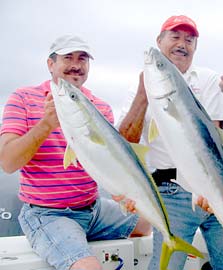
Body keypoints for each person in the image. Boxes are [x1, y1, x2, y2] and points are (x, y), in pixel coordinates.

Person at [0, 34, 151, 270]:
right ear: (51, 64)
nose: (76, 65)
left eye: (82, 59)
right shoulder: (22, 99)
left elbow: (107, 163)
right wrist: (46, 125)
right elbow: (7, 163)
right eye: (67, 57)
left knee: (148, 223)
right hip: (48, 214)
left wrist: (124, 193)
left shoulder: (100, 107)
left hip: (94, 209)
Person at [118, 15, 223, 270]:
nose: (182, 44)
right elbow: (126, 142)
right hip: (170, 193)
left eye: (190, 39)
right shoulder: (136, 89)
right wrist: (143, 94)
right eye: (175, 36)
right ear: (159, 41)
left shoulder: (207, 80)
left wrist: (207, 187)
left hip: (215, 189)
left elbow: (216, 140)